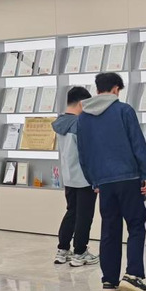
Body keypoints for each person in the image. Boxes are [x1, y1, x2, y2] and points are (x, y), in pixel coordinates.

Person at [78, 72, 146, 291]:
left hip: (104, 182)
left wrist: (93, 180)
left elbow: (83, 154)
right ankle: (133, 275)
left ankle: (109, 282)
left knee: (109, 230)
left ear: (97, 89)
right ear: (115, 89)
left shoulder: (83, 118)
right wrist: (145, 174)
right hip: (128, 178)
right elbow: (138, 144)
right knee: (136, 225)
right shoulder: (124, 110)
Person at [52, 86, 99, 266]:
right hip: (84, 178)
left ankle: (62, 250)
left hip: (69, 177)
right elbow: (88, 154)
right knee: (84, 216)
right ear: (81, 103)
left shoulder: (60, 122)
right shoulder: (80, 124)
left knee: (71, 212)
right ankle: (80, 253)